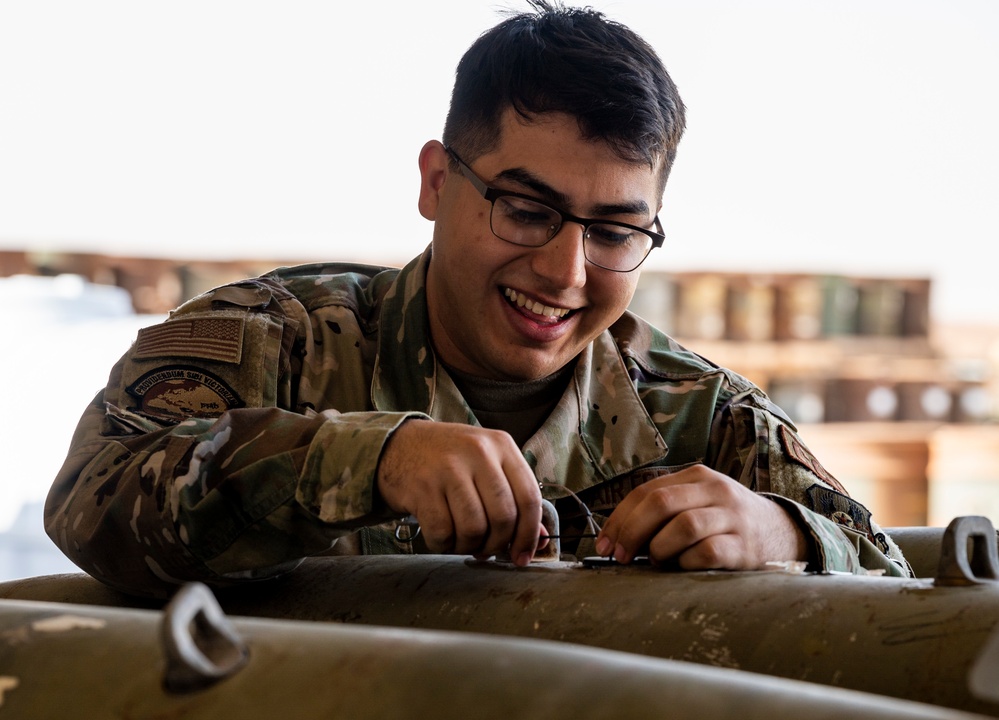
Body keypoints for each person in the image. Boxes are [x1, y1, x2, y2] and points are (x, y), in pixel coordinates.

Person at [45, 0, 908, 598]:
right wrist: (367, 460)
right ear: (435, 181)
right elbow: (90, 503)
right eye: (526, 211)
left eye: (613, 233)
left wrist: (788, 540)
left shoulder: (705, 418)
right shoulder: (274, 342)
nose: (566, 271)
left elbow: (900, 598)